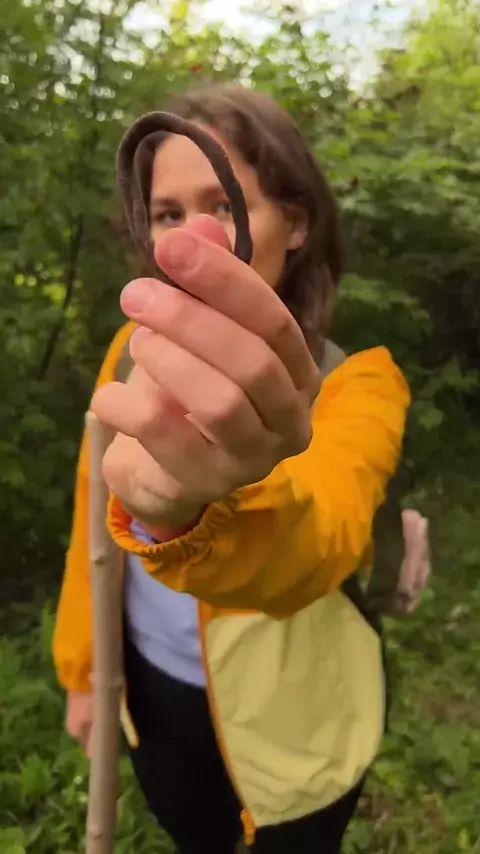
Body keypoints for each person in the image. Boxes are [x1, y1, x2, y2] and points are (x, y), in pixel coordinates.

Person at [53, 84, 411, 854]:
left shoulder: (359, 385)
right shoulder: (133, 353)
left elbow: (321, 546)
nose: (194, 239)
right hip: (154, 697)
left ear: (297, 224)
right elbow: (93, 518)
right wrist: (83, 669)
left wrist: (200, 507)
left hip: (299, 733)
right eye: (168, 213)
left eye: (223, 205)